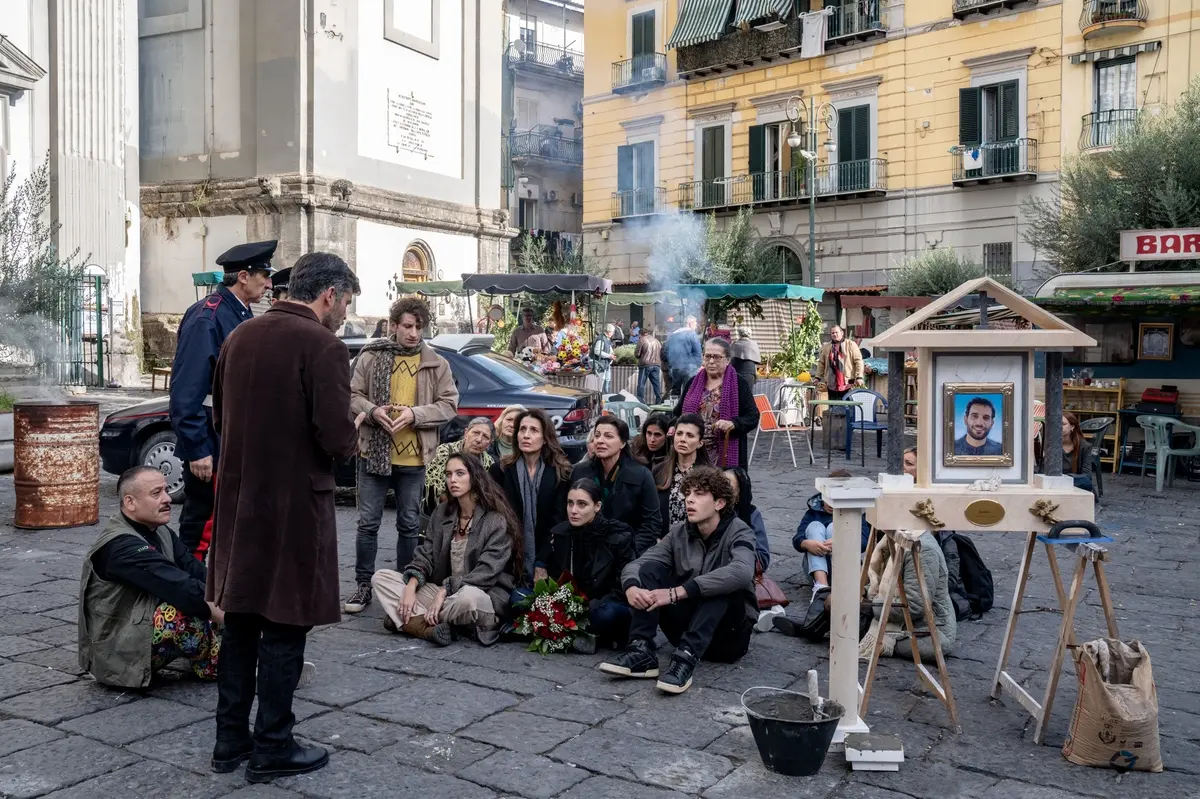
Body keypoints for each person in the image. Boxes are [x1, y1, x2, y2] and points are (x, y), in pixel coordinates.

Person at [208, 252, 360, 783]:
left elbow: (222, 419)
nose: (343, 314)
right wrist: (357, 425)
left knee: (242, 620)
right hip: (294, 505)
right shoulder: (323, 345)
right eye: (345, 303)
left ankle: (230, 740)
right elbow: (337, 440)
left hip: (241, 500)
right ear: (329, 295)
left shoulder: (239, 338)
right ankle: (273, 742)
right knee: (286, 623)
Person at [345, 297, 459, 614]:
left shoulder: (436, 363)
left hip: (413, 460)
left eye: (419, 327)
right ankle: (363, 585)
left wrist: (414, 415)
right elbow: (352, 394)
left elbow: (449, 404)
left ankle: (402, 587)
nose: (413, 333)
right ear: (394, 325)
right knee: (367, 524)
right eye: (407, 326)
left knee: (409, 525)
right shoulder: (371, 356)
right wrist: (372, 411)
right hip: (373, 453)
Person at [600, 467, 756, 694]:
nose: (689, 500)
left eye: (699, 494)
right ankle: (641, 650)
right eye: (688, 493)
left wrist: (678, 592)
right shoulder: (679, 533)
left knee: (724, 582)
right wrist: (631, 587)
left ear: (719, 503)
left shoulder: (740, 532)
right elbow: (639, 565)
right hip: (684, 627)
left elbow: (742, 572)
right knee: (651, 569)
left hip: (727, 637)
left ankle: (685, 659)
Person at [169, 240, 276, 555]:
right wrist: (197, 447)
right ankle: (189, 597)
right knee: (202, 527)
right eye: (264, 275)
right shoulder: (208, 317)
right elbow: (187, 388)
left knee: (228, 525)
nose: (269, 283)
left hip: (230, 438)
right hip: (211, 442)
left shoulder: (239, 314)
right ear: (243, 276)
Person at [79, 467, 223, 688]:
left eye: (166, 490)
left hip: (140, 630)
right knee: (180, 612)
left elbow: (197, 572)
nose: (167, 499)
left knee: (219, 596)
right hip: (117, 655)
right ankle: (216, 664)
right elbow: (180, 587)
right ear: (130, 502)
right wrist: (235, 617)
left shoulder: (161, 531)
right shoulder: (121, 547)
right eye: (156, 494)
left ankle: (232, 643)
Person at [372, 453, 521, 647]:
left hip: (480, 594)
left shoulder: (495, 520)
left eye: (460, 474)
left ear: (474, 477)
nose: (453, 480)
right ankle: (426, 626)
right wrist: (411, 586)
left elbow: (486, 573)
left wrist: (444, 591)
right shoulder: (442, 512)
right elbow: (425, 555)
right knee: (381, 578)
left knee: (468, 599)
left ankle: (408, 620)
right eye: (448, 474)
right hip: (443, 593)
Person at [548, 479, 638, 651]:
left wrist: (590, 606)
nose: (573, 511)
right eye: (570, 503)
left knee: (604, 614)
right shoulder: (561, 533)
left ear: (597, 506)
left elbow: (622, 586)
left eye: (582, 505)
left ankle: (587, 632)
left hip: (607, 603)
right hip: (574, 603)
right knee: (519, 597)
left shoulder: (619, 536)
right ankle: (577, 631)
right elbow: (555, 576)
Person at [490, 409, 572, 588]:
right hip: (508, 556)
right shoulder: (501, 470)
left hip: (550, 556)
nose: (526, 435)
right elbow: (495, 518)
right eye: (522, 429)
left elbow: (558, 522)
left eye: (534, 430)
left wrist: (541, 562)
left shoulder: (560, 472)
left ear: (545, 438)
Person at [571, 416, 662, 555]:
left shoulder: (641, 475)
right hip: (586, 551)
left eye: (608, 436)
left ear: (623, 443)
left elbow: (652, 523)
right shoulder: (579, 471)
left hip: (626, 553)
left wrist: (629, 550)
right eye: (597, 435)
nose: (600, 440)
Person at [673, 337, 760, 470]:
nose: (711, 361)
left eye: (717, 357)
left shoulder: (739, 383)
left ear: (728, 360)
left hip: (723, 452)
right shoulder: (692, 383)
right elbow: (677, 414)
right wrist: (673, 426)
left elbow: (752, 416)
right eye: (707, 356)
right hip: (693, 451)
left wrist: (733, 424)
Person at [791, 470, 871, 594]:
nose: (831, 503)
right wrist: (806, 543)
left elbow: (863, 543)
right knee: (814, 526)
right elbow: (797, 538)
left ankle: (840, 581)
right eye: (828, 497)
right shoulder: (813, 513)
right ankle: (821, 585)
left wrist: (842, 542)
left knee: (833, 527)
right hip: (816, 567)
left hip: (845, 568)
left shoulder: (856, 514)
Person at [655, 414, 712, 528]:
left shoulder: (710, 475)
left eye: (690, 435)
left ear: (700, 443)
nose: (682, 439)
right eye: (679, 433)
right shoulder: (659, 471)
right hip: (663, 540)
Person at [425, 418, 495, 508]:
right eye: (476, 433)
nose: (479, 439)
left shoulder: (489, 463)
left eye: (485, 437)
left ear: (489, 443)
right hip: (443, 508)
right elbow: (437, 489)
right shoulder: (444, 452)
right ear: (466, 433)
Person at [724, 468, 770, 570]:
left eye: (727, 484)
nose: (721, 489)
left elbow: (762, 558)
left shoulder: (751, 514)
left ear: (739, 495)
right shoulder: (707, 511)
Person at [1037, 412, 1093, 492]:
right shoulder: (1051, 444)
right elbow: (1042, 471)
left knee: (1086, 481)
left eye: (1063, 424)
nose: (1059, 427)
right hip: (1054, 481)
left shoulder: (1084, 446)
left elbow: (1087, 475)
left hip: (1073, 482)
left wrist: (1065, 478)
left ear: (1072, 426)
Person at [813, 325, 864, 400]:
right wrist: (817, 377)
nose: (834, 334)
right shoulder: (826, 347)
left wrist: (859, 377)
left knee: (847, 408)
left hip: (848, 383)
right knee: (833, 408)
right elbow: (821, 363)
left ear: (842, 333)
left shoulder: (851, 344)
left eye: (836, 332)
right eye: (832, 333)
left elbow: (858, 361)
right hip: (831, 383)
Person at [665, 316, 702, 397]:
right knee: (688, 390)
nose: (696, 325)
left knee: (675, 390)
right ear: (689, 324)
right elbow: (698, 351)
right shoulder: (692, 334)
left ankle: (674, 407)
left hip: (675, 367)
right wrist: (698, 365)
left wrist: (671, 364)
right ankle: (686, 408)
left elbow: (666, 350)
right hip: (689, 367)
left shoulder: (673, 335)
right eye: (695, 323)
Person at [635, 326, 663, 405]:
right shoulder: (656, 340)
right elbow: (661, 352)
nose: (638, 336)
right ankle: (658, 400)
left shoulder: (642, 340)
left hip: (645, 364)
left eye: (638, 335)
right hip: (656, 364)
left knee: (641, 384)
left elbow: (637, 354)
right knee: (656, 383)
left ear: (641, 334)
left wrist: (640, 357)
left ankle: (640, 402)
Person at [593, 324, 616, 395]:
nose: (612, 334)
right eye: (612, 332)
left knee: (607, 382)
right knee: (601, 383)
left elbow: (608, 348)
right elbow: (597, 351)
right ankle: (601, 399)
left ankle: (605, 398)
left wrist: (612, 354)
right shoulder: (601, 339)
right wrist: (609, 356)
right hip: (601, 364)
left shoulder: (606, 339)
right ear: (609, 332)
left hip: (605, 364)